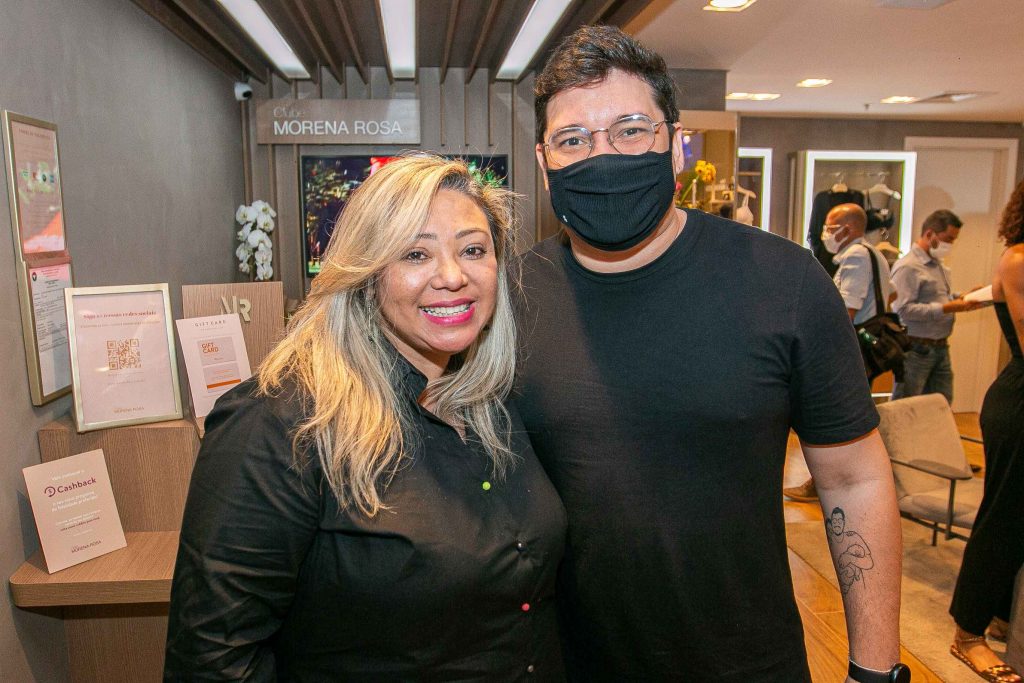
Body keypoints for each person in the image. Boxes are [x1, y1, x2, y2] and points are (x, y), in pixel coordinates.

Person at [515, 25, 905, 683]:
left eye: (630, 130)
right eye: (573, 139)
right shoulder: (509, 297)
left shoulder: (784, 282)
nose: (602, 155)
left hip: (747, 663)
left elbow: (854, 479)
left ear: (674, 146)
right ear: (544, 159)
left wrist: (876, 671)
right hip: (565, 665)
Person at [164, 155, 567, 680]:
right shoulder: (279, 424)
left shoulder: (496, 400)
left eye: (473, 250)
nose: (453, 276)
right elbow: (213, 658)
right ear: (366, 274)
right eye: (415, 254)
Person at [948, 179, 1024, 683]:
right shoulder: (1018, 259)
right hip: (1019, 404)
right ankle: (968, 631)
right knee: (1003, 517)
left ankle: (1001, 613)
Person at [783, 203, 894, 503]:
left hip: (854, 342)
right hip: (873, 337)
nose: (826, 234)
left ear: (848, 228)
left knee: (836, 418)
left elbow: (847, 308)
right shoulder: (876, 254)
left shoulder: (856, 255)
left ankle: (828, 482)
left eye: (831, 228)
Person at [891, 209, 986, 403]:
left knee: (941, 406)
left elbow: (940, 297)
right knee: (906, 407)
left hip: (940, 347)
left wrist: (965, 297)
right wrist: (948, 308)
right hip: (916, 349)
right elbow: (902, 310)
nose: (950, 245)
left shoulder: (938, 265)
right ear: (929, 234)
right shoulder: (908, 266)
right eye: (948, 239)